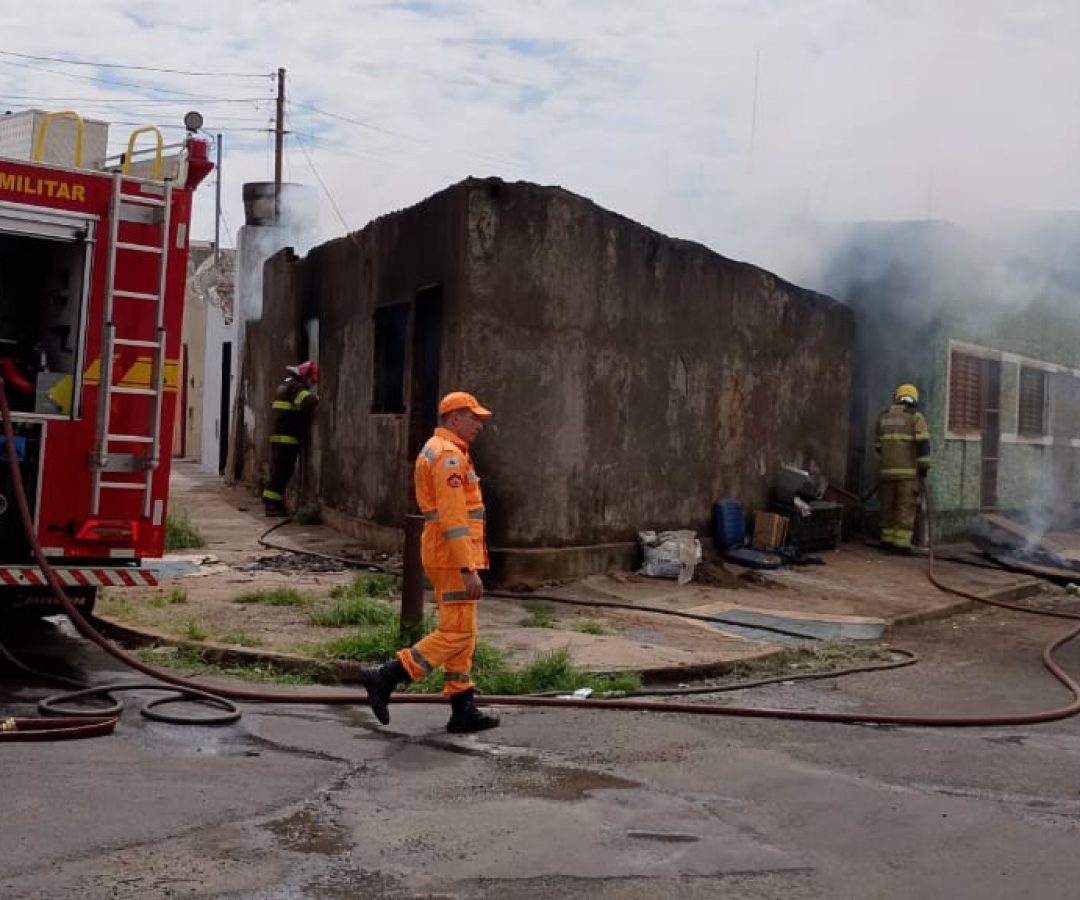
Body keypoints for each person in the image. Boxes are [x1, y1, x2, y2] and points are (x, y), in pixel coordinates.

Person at [360, 391, 500, 734]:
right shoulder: (448, 457)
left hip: (448, 553)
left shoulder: (442, 450)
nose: (480, 425)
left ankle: (462, 704)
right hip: (452, 557)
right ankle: (387, 676)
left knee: (464, 632)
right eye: (474, 418)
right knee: (455, 633)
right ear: (455, 418)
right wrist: (468, 568)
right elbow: (454, 519)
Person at [875, 382, 931, 553]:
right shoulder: (915, 417)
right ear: (913, 398)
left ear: (897, 397)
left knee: (887, 506)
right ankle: (901, 545)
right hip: (907, 475)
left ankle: (886, 541)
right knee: (904, 507)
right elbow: (923, 445)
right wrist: (923, 466)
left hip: (886, 473)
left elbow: (877, 445)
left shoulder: (883, 416)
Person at [262, 360, 319, 517]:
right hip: (286, 438)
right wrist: (319, 398)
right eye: (311, 381)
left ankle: (275, 503)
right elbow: (309, 401)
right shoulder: (295, 387)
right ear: (305, 376)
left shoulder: (285, 385)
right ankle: (272, 505)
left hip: (280, 437)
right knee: (283, 472)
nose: (311, 384)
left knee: (279, 472)